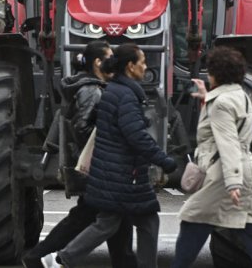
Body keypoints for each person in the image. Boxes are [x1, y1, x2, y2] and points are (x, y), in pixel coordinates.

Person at [40, 43, 177, 268]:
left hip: (115, 172)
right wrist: (164, 160)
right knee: (126, 223)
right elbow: (135, 137)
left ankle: (61, 258)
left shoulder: (114, 90)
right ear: (130, 66)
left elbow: (119, 128)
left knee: (119, 223)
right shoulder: (125, 95)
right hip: (123, 174)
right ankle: (61, 258)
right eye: (142, 62)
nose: (145, 66)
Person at [24, 39, 136, 268]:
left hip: (99, 167)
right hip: (98, 167)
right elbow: (83, 128)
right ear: (98, 62)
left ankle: (38, 257)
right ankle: (40, 258)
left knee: (108, 218)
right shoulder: (91, 90)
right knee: (91, 217)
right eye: (110, 58)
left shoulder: (90, 88)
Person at [172, 47, 252, 268]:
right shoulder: (240, 96)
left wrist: (232, 182)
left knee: (194, 219)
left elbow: (228, 143)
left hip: (222, 176)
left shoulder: (221, 104)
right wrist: (206, 98)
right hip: (241, 172)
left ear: (215, 73)